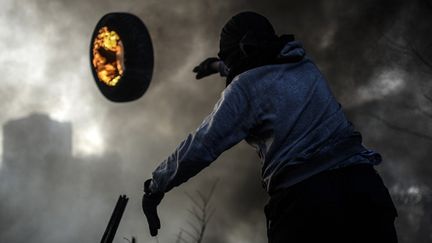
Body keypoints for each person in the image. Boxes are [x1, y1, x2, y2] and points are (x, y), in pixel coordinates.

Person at [142, 11, 398, 243]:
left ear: (242, 51)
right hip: (365, 192)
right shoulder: (304, 64)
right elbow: (262, 55)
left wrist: (156, 186)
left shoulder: (245, 89)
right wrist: (215, 66)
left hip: (308, 208)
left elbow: (202, 145)